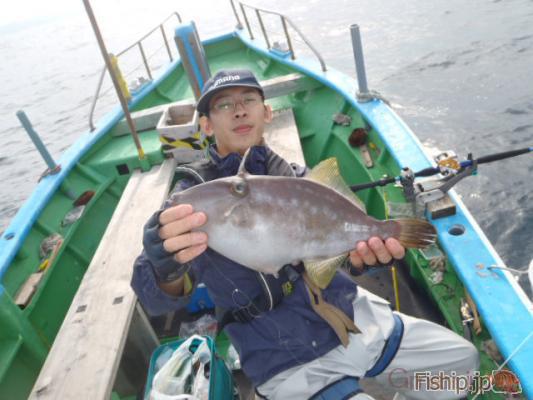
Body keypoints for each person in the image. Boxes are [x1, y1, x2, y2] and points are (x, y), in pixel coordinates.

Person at [132, 69, 479, 399]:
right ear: (206, 125)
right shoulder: (193, 199)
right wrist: (166, 266)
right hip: (282, 354)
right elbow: (156, 300)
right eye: (224, 105)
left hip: (350, 314)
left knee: (461, 362)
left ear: (267, 112)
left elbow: (338, 252)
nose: (239, 111)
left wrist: (364, 259)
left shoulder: (297, 177)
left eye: (249, 100)